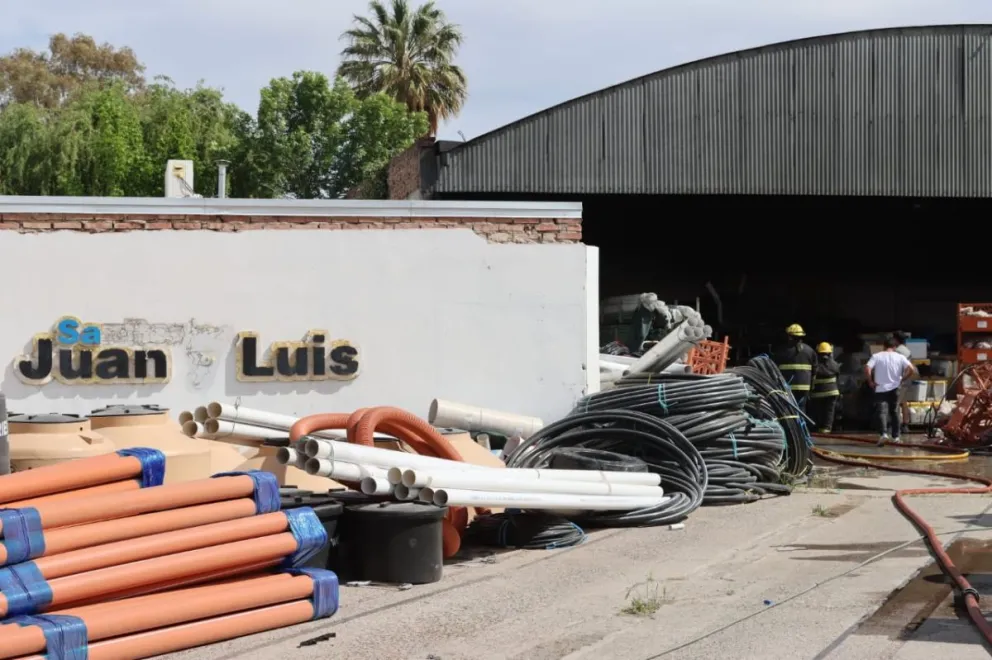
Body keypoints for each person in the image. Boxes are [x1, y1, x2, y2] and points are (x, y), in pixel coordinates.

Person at [865, 334, 918, 445]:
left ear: (884, 346)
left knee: (882, 411)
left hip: (880, 388)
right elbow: (912, 369)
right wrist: (903, 379)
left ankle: (883, 434)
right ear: (895, 347)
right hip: (895, 388)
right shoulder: (900, 357)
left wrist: (870, 381)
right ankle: (896, 436)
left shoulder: (877, 356)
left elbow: (868, 367)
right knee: (895, 411)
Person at [774, 323, 818, 413]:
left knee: (788, 410)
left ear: (789, 336)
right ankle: (800, 426)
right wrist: (811, 386)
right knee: (801, 409)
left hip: (787, 387)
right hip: (804, 387)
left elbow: (774, 368)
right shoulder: (810, 350)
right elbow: (815, 370)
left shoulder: (782, 350)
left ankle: (791, 427)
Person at [809, 342, 841, 433]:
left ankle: (818, 427)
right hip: (833, 392)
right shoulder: (835, 364)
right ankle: (827, 428)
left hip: (818, 393)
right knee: (829, 411)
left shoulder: (816, 365)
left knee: (818, 410)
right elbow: (838, 377)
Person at [893, 332, 913, 435]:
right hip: (906, 380)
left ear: (896, 340)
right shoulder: (906, 350)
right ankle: (905, 424)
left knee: (896, 403)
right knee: (903, 402)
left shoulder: (898, 351)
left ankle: (896, 426)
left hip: (900, 380)